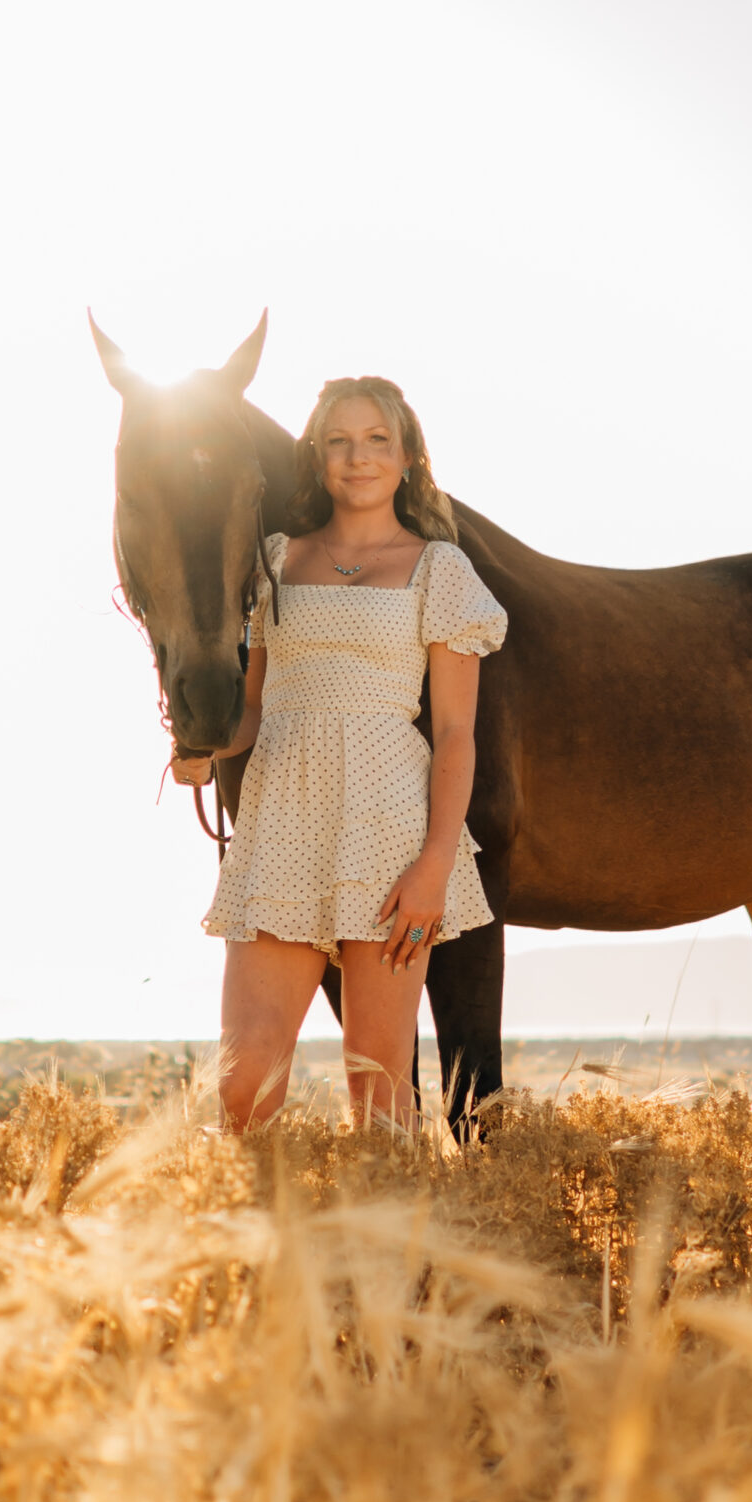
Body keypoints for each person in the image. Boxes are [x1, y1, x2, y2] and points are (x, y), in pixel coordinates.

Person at [201, 376, 507, 1130]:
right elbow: (250, 709)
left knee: (378, 1094)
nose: (357, 457)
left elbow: (457, 735)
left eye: (376, 440)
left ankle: (387, 1248)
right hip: (281, 831)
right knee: (243, 1085)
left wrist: (434, 864)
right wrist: (202, 749)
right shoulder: (276, 560)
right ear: (316, 457)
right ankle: (259, 1242)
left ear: (406, 457)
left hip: (389, 835)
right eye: (338, 441)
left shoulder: (440, 570)